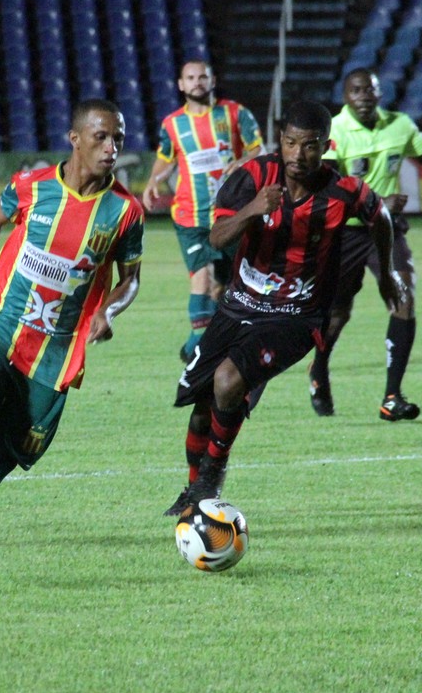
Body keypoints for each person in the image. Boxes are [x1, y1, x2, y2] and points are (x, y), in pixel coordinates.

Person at [0, 99, 144, 550]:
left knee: (8, 455)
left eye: (119, 138)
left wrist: (107, 311)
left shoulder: (124, 212)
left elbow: (131, 279)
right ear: (75, 139)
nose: (112, 147)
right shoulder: (32, 186)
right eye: (102, 137)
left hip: (57, 353)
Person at [164, 100, 404, 515]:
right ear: (280, 140)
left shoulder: (343, 191)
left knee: (227, 380)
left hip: (296, 317)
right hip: (237, 308)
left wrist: (387, 274)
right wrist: (255, 209)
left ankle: (210, 482)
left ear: (326, 145)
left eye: (310, 146)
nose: (298, 155)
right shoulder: (252, 177)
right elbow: (217, 237)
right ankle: (192, 497)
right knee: (204, 405)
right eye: (291, 143)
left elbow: (379, 215)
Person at [306, 69, 422, 421]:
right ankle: (319, 369)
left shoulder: (399, 124)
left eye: (369, 90)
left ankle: (392, 396)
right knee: (338, 314)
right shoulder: (335, 132)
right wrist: (374, 202)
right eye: (356, 90)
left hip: (384, 229)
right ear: (345, 95)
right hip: (343, 231)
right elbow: (324, 189)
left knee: (404, 296)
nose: (363, 96)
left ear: (379, 93)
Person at [141, 60, 263, 365]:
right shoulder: (172, 124)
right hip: (189, 215)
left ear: (212, 80)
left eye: (202, 76)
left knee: (223, 283)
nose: (197, 82)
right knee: (203, 276)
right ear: (181, 85)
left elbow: (257, 148)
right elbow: (165, 158)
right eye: (191, 78)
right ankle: (196, 347)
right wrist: (153, 180)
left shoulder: (235, 113)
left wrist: (245, 161)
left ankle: (206, 341)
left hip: (229, 215)